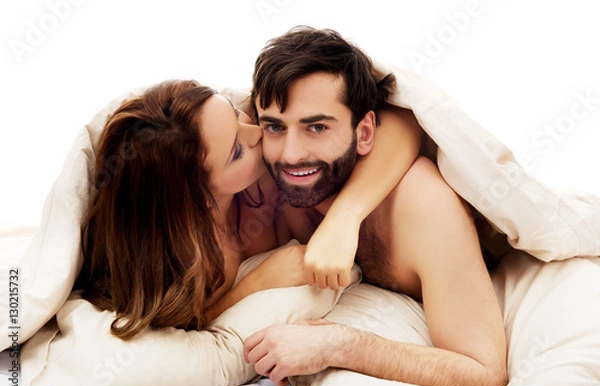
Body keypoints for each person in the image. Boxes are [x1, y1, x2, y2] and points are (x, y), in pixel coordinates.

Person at [243, 26, 508, 386]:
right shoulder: (262, 179)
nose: (290, 155)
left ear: (365, 133)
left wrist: (336, 346)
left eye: (316, 127)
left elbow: (483, 372)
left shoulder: (423, 204)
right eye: (274, 127)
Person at [76, 77, 421, 340]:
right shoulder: (185, 265)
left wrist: (343, 220)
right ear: (199, 198)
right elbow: (183, 325)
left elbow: (403, 121)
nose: (257, 132)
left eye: (234, 112)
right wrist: (255, 284)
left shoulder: (266, 144)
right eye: (237, 152)